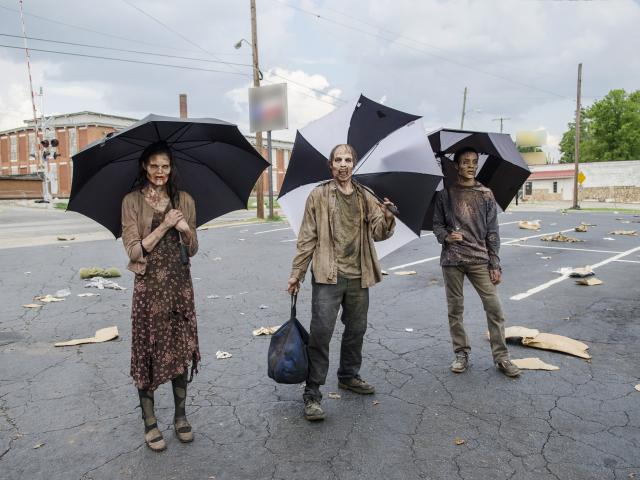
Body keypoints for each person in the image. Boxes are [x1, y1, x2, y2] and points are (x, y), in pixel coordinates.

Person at [287, 143, 396, 421]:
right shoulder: (319, 194)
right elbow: (307, 237)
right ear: (331, 165)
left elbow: (379, 233)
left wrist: (387, 216)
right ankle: (312, 392)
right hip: (328, 275)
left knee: (356, 329)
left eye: (348, 160)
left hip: (360, 274)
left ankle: (348, 375)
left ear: (354, 163)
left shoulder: (365, 195)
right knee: (321, 334)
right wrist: (297, 273)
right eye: (338, 160)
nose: (343, 165)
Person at [121, 142, 200, 451]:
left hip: (179, 287)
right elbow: (134, 250)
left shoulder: (185, 200)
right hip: (149, 288)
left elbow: (193, 249)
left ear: (171, 168)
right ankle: (150, 422)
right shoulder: (131, 201)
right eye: (154, 165)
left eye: (165, 166)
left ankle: (181, 416)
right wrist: (166, 224)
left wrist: (185, 230)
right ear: (145, 166)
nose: (159, 172)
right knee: (147, 351)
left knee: (180, 348)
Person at [432, 146, 521, 378]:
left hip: (479, 259)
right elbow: (437, 225)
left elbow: (493, 232)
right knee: (455, 310)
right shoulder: (445, 195)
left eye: (474, 162)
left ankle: (501, 357)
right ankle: (461, 353)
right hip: (452, 260)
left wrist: (495, 264)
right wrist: (446, 236)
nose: (470, 166)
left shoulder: (485, 194)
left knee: (494, 308)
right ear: (456, 166)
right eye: (465, 162)